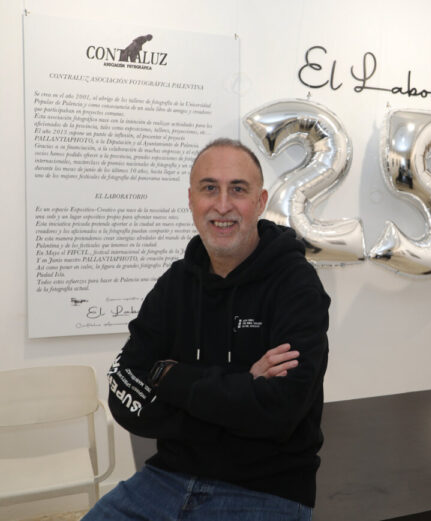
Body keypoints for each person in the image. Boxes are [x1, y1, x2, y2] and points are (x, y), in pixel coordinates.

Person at [85, 138, 330, 521]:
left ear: (261, 201)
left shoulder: (296, 285)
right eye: (209, 188)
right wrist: (243, 386)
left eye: (238, 189)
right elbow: (123, 393)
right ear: (191, 200)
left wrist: (171, 377)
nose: (223, 205)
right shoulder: (175, 284)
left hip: (266, 490)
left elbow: (282, 410)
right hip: (166, 477)